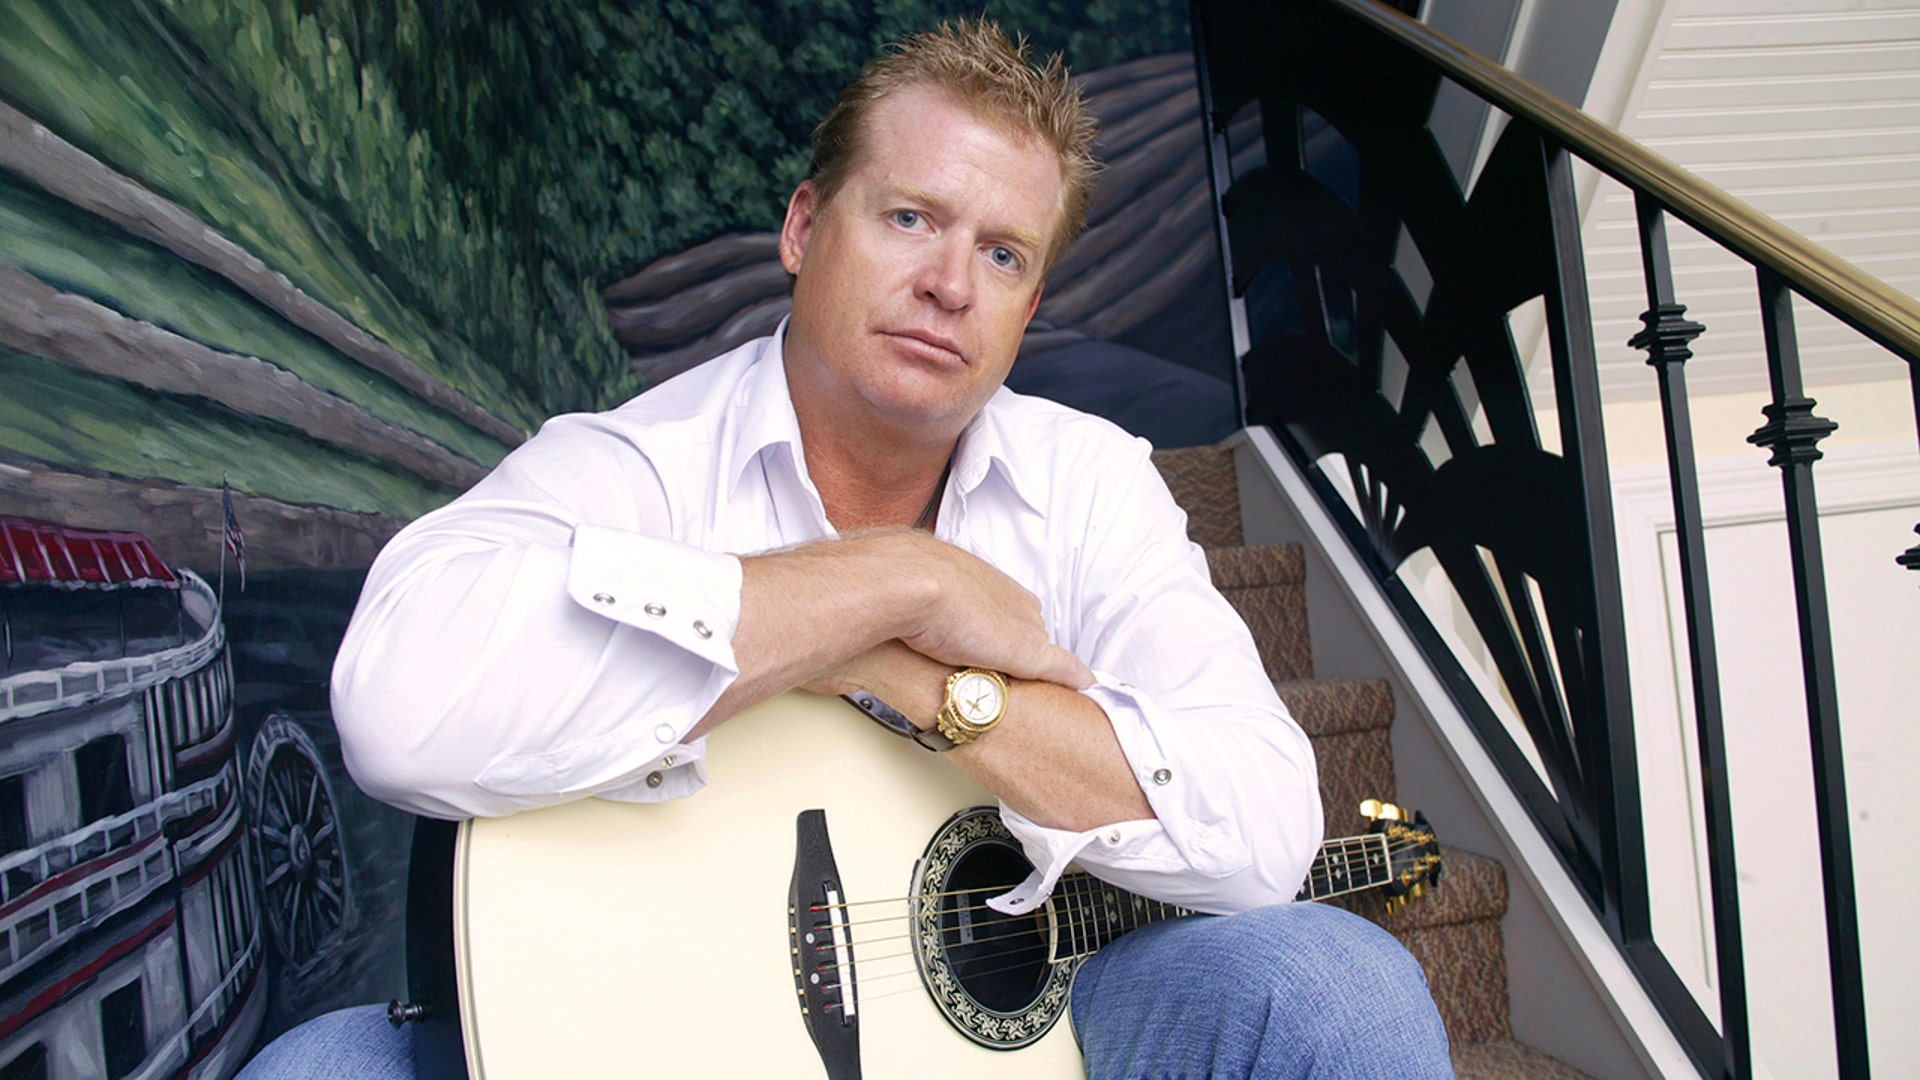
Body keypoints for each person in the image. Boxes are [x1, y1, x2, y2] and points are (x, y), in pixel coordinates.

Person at [242, 19, 1451, 1079]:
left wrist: (910, 674)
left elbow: (1266, 830)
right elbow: (398, 708)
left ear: (1029, 307)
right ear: (805, 228)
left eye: (1003, 254)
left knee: (1338, 985)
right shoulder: (638, 463)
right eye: (912, 217)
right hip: (658, 1031)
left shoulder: (1089, 479)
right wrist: (901, 578)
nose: (949, 285)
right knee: (323, 1067)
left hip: (1026, 1034)